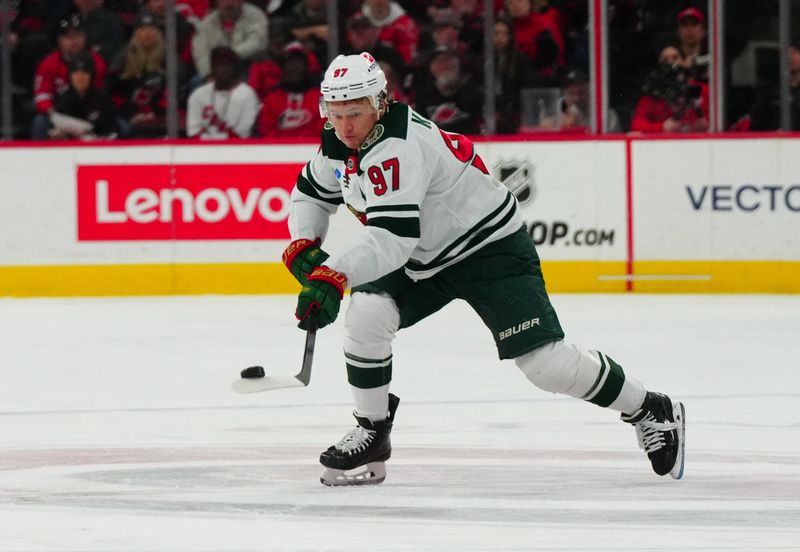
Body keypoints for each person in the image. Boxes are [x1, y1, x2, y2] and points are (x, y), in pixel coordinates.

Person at [281, 51, 686, 486]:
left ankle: (650, 408)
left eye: (355, 112)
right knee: (367, 311)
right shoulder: (340, 142)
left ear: (381, 102)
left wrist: (332, 275)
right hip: (422, 257)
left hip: (487, 249)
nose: (344, 126)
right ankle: (372, 429)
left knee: (546, 365)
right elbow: (310, 195)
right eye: (335, 113)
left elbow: (392, 240)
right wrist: (304, 241)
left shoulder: (395, 146)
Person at [31, 15, 107, 140]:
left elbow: (99, 95)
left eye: (77, 36)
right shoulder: (49, 63)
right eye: (68, 37)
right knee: (40, 122)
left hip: (90, 114)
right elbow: (42, 94)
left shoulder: (96, 62)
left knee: (120, 126)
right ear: (60, 40)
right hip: (59, 114)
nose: (74, 41)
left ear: (84, 38)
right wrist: (54, 117)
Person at [186, 46, 260, 139]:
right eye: (218, 65)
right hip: (203, 151)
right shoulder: (198, 95)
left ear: (235, 68)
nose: (223, 69)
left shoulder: (247, 94)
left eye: (227, 65)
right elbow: (193, 133)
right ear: (212, 68)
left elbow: (242, 134)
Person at [629, 45, 707, 133]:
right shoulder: (653, 92)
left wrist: (706, 124)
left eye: (675, 57)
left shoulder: (701, 89)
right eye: (665, 59)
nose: (670, 62)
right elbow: (636, 125)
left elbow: (718, 122)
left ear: (685, 62)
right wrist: (662, 127)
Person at [191, 0, 268, 80]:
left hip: (249, 67)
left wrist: (227, 56)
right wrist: (209, 76)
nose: (229, 4)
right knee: (195, 82)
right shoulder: (206, 24)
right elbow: (201, 53)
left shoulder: (256, 16)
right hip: (217, 73)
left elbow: (257, 43)